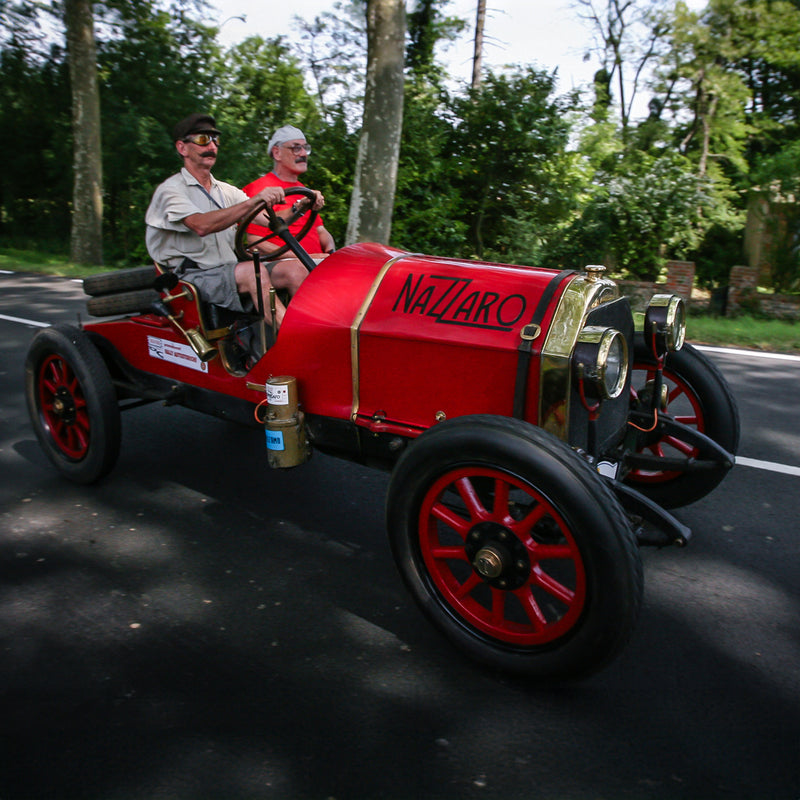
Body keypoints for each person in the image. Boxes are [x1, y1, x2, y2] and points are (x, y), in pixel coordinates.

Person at [145, 113, 324, 327]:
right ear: (182, 148)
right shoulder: (170, 191)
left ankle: (315, 328)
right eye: (203, 140)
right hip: (189, 277)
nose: (211, 146)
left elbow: (270, 221)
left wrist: (301, 206)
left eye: (215, 140)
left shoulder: (226, 191)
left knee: (295, 269)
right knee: (252, 272)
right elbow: (201, 225)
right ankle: (294, 341)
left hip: (228, 270)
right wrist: (254, 201)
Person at [242, 125, 336, 262]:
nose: (303, 154)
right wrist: (306, 258)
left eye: (305, 148)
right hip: (282, 264)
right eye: (296, 148)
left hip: (315, 264)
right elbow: (256, 243)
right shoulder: (259, 189)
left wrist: (331, 252)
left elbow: (321, 231)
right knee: (295, 272)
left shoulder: (305, 191)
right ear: (277, 153)